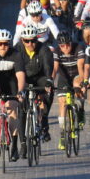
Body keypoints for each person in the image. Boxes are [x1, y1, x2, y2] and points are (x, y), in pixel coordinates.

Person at [14, 25, 55, 156]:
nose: (30, 44)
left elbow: (48, 67)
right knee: (22, 109)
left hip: (40, 77)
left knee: (49, 90)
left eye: (33, 40)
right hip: (24, 79)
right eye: (27, 41)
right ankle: (23, 144)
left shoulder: (44, 49)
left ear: (37, 39)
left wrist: (49, 81)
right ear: (22, 40)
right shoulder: (17, 50)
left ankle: (44, 119)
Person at [53, 33, 86, 150]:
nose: (65, 48)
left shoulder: (79, 48)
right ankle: (62, 134)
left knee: (78, 88)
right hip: (64, 77)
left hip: (77, 74)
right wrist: (50, 80)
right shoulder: (57, 51)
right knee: (62, 102)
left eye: (68, 45)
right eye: (62, 46)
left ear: (71, 43)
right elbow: (55, 68)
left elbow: (81, 66)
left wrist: (82, 82)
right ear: (59, 46)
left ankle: (81, 110)